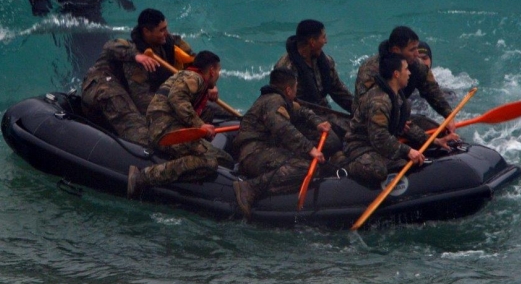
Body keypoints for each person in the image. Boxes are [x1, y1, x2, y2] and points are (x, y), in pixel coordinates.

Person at [340, 53, 458, 185]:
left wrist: (434, 141)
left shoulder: (397, 96)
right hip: (360, 145)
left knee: (404, 165)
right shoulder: (379, 102)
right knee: (378, 171)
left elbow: (405, 126)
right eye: (406, 69)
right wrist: (407, 151)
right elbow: (380, 138)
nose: (409, 73)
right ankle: (342, 164)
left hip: (378, 144)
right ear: (396, 74)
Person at [127, 51, 234, 198]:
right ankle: (144, 177)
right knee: (209, 162)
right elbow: (176, 98)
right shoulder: (194, 78)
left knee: (225, 160)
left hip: (170, 127)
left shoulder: (189, 77)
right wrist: (200, 125)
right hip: (166, 131)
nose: (219, 75)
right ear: (211, 71)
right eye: (218, 71)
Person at [80, 9, 194, 145]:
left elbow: (195, 61)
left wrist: (206, 84)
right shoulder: (135, 58)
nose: (166, 33)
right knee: (137, 128)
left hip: (126, 89)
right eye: (161, 30)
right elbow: (142, 101)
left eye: (166, 28)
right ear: (147, 31)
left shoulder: (168, 42)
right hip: (104, 86)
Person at [231, 67, 331, 218]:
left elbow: (301, 111)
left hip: (260, 152)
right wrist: (310, 149)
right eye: (295, 88)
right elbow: (282, 127)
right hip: (254, 154)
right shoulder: (274, 101)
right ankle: (250, 188)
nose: (296, 92)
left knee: (304, 160)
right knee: (304, 167)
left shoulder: (278, 100)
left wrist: (318, 123)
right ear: (289, 90)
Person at [354, 26, 456, 134]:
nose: (417, 54)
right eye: (412, 50)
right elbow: (364, 106)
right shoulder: (370, 70)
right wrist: (396, 121)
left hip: (400, 118)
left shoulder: (416, 64)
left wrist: (448, 115)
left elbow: (431, 89)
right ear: (396, 50)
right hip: (372, 123)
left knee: (439, 132)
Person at [274, 19, 353, 149]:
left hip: (324, 112)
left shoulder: (325, 62)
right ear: (312, 42)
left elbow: (339, 91)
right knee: (332, 142)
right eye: (323, 37)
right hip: (300, 119)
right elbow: (280, 105)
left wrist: (360, 110)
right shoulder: (285, 68)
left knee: (357, 130)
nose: (326, 41)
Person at [408, 41, 459, 128]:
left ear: (431, 59)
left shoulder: (443, 81)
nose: (421, 62)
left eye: (424, 58)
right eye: (418, 59)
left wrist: (449, 116)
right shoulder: (403, 84)